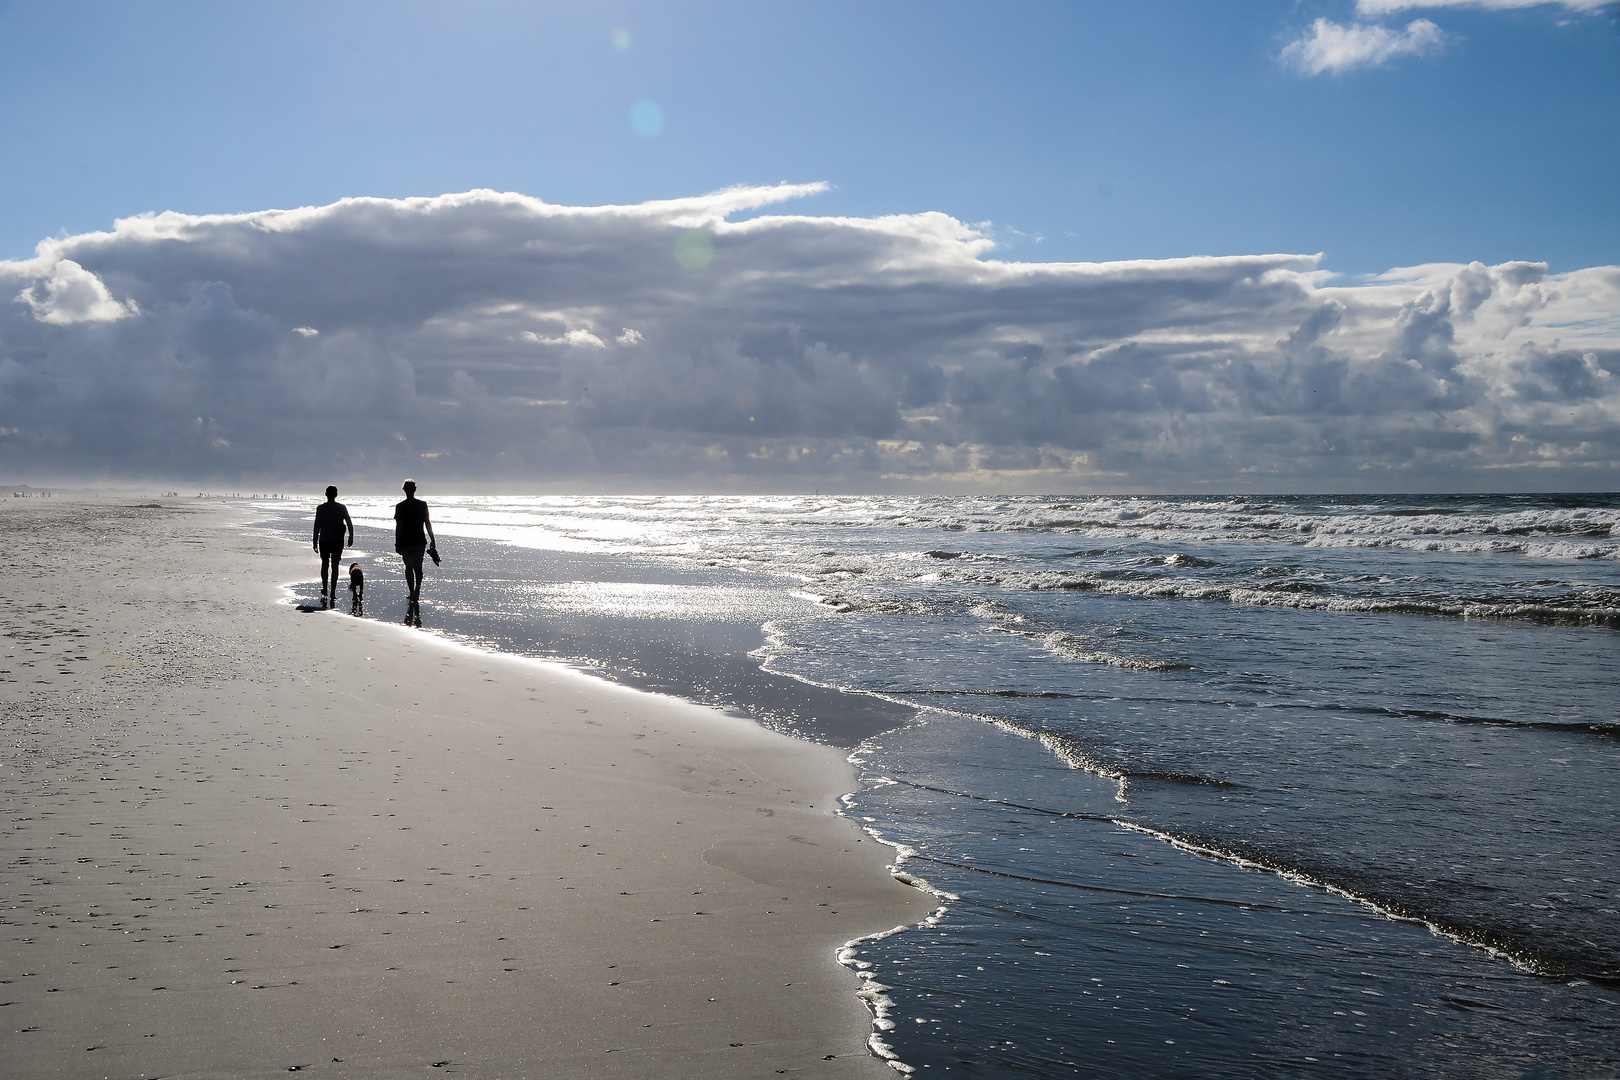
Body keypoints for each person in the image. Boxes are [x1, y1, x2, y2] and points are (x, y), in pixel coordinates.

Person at [394, 479, 437, 602]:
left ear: (404, 490)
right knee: (418, 567)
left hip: (405, 541)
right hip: (419, 540)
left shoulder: (400, 506)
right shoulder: (422, 505)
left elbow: (399, 526)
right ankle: (417, 589)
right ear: (415, 489)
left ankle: (412, 592)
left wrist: (397, 543)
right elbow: (427, 522)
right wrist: (432, 539)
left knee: (408, 567)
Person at [312, 485, 354, 606]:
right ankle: (333, 592)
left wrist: (314, 541)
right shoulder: (341, 508)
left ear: (326, 494)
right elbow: (349, 523)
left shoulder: (321, 508)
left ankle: (325, 588)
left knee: (325, 564)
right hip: (337, 541)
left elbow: (317, 526)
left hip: (324, 540)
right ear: (336, 495)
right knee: (335, 565)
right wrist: (351, 536)